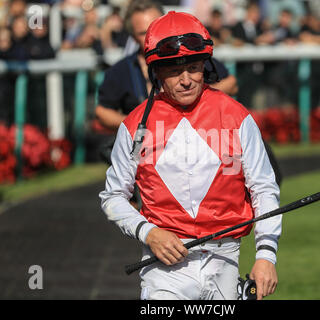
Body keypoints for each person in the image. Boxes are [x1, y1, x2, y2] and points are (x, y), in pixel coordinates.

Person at [99, 11, 281, 300]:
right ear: (156, 71)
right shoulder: (135, 126)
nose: (186, 80)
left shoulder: (236, 116)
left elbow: (263, 187)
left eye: (194, 68)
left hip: (226, 260)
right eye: (173, 70)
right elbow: (112, 197)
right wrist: (149, 233)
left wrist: (266, 256)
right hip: (165, 270)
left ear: (205, 66)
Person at [95, 0, 238, 132]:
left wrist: (195, 98)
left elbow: (231, 83)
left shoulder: (189, 55)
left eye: (155, 28)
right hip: (149, 147)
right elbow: (102, 112)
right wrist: (140, 123)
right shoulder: (121, 70)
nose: (151, 37)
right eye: (143, 33)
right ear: (132, 37)